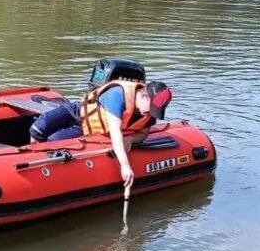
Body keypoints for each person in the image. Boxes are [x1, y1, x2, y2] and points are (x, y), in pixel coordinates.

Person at [31, 79, 172, 189]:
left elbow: (143, 134)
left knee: (52, 142)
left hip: (89, 132)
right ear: (143, 96)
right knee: (38, 129)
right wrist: (125, 166)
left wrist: (130, 138)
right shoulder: (118, 95)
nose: (151, 113)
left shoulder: (149, 113)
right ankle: (30, 161)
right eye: (151, 108)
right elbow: (116, 132)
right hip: (78, 114)